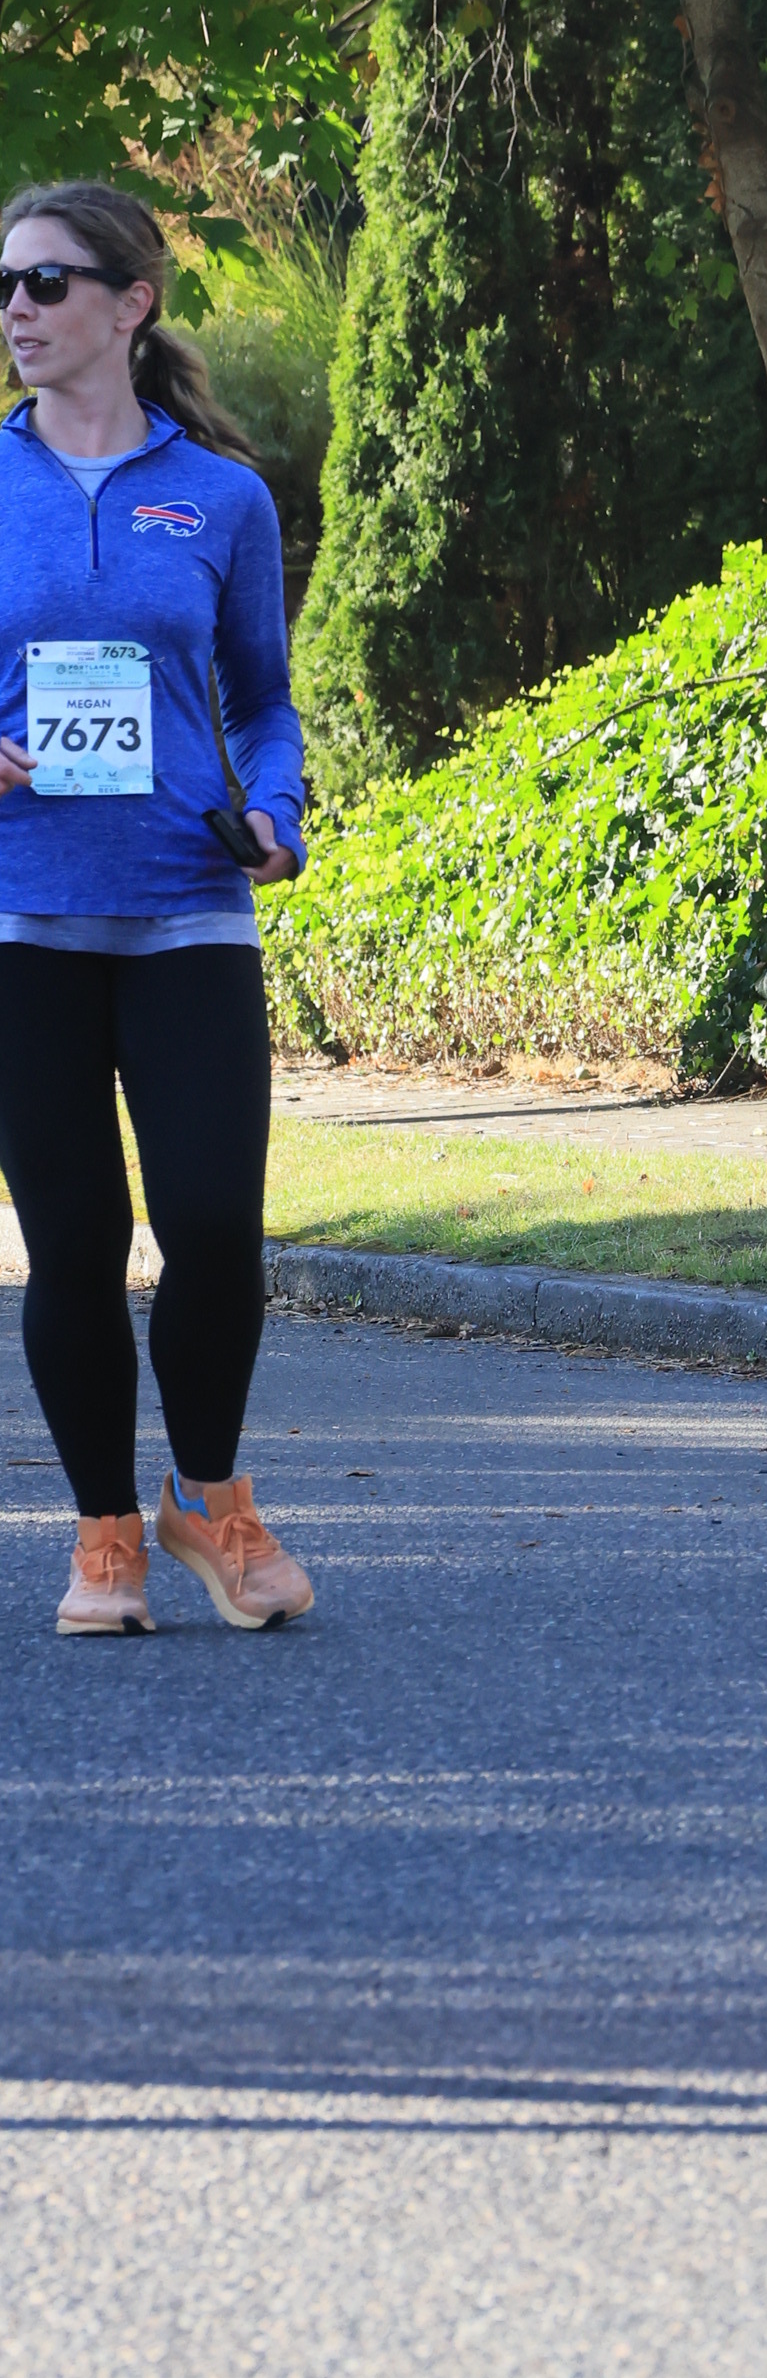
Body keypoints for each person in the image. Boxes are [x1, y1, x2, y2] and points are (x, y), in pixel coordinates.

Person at [0, 181, 315, 1637]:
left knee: (213, 1228)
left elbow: (260, 696)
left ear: (129, 304)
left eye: (47, 282)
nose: (17, 309)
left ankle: (212, 1503)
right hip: (24, 923)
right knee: (70, 1244)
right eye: (5, 284)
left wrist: (277, 811)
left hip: (189, 909)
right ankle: (105, 1537)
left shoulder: (223, 498)